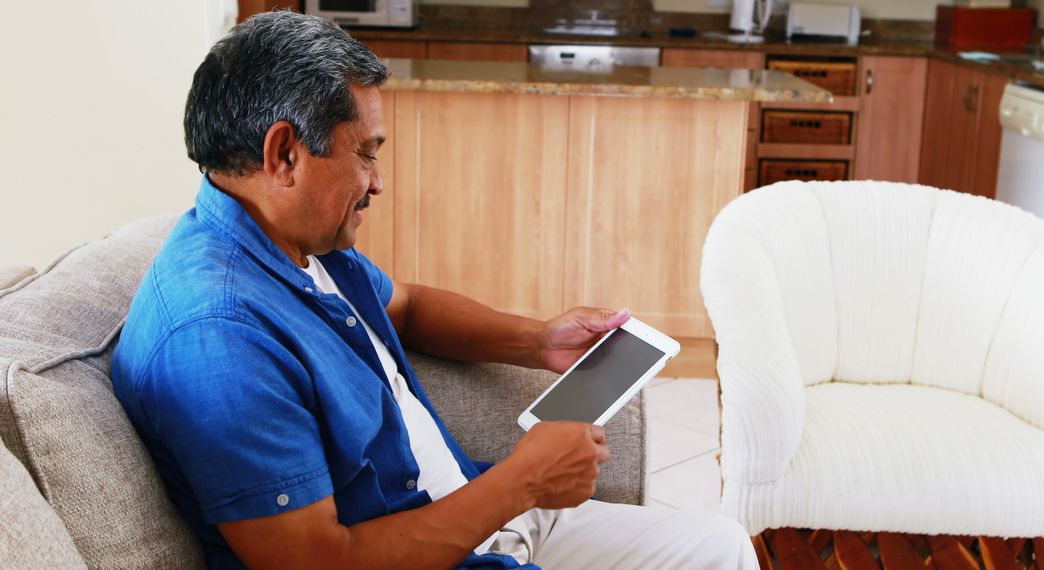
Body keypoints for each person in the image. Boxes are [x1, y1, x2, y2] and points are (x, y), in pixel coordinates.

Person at [111, 11, 759, 570]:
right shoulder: (220, 340)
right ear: (284, 154)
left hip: (473, 514)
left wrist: (538, 340)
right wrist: (523, 479)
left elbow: (408, 307)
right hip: (446, 542)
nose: (378, 182)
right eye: (365, 153)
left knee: (723, 547)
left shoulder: (294, 241)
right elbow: (317, 563)